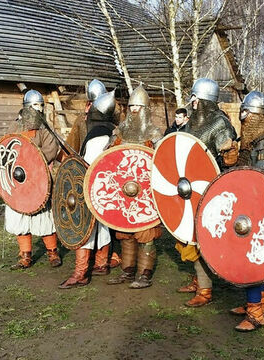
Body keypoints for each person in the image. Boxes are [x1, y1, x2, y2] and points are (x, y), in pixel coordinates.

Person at [173, 78, 239, 307]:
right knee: (189, 235)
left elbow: (229, 156)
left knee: (203, 238)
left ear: (203, 101)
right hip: (188, 187)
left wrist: (228, 150)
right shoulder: (192, 124)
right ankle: (198, 280)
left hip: (210, 187)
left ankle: (205, 289)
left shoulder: (219, 123)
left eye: (195, 98)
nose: (192, 102)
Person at [228, 91, 264, 331]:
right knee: (248, 255)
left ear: (257, 115)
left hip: (259, 207)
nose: (242, 116)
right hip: (247, 204)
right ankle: (258, 301)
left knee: (252, 256)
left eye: (247, 112)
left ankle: (255, 314)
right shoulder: (251, 140)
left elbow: (262, 179)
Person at [106, 85, 163, 289]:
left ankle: (144, 274)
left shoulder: (153, 132)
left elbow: (163, 160)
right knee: (125, 232)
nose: (134, 110)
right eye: (132, 106)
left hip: (145, 190)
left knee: (146, 232)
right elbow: (108, 158)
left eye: (139, 106)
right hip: (123, 189)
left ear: (146, 108)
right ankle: (127, 271)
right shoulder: (120, 130)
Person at [60, 91, 116, 289]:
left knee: (83, 224)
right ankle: (101, 263)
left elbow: (90, 165)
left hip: (92, 185)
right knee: (102, 225)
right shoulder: (114, 130)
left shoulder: (96, 135)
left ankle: (81, 273)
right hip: (108, 189)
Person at [4, 90, 61, 269]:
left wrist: (32, 161)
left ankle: (53, 252)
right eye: (36, 105)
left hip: (39, 178)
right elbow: (7, 148)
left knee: (43, 217)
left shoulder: (44, 128)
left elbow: (51, 149)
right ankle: (25, 256)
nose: (39, 108)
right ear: (27, 107)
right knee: (20, 215)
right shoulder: (15, 127)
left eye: (41, 105)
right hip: (19, 180)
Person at [186, 78, 239, 169]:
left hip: (209, 175)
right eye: (192, 97)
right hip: (188, 172)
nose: (193, 100)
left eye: (196, 98)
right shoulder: (192, 122)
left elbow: (227, 161)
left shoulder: (220, 122)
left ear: (206, 100)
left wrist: (225, 160)